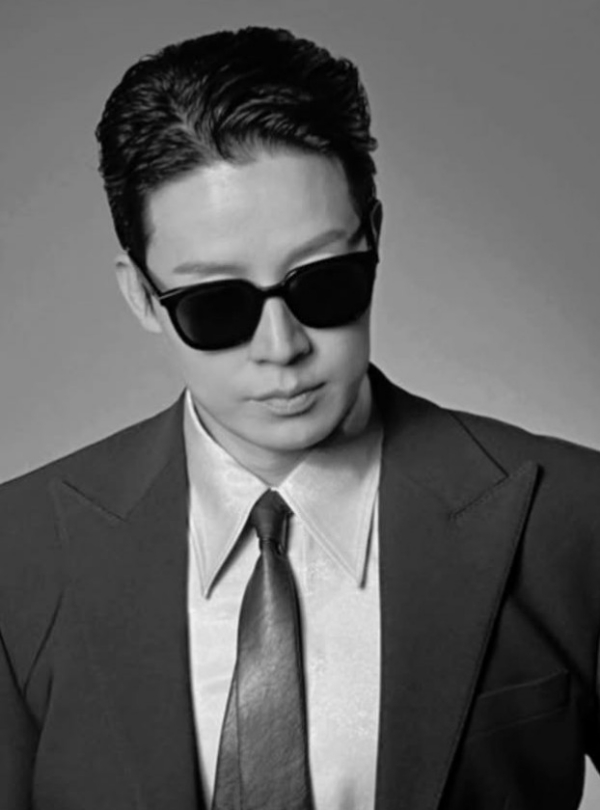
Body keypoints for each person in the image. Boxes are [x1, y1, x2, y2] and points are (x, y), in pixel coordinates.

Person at [1, 25, 599, 810]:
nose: (282, 348)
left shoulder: (572, 515)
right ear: (141, 297)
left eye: (323, 282)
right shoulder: (18, 554)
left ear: (374, 240)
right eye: (217, 305)